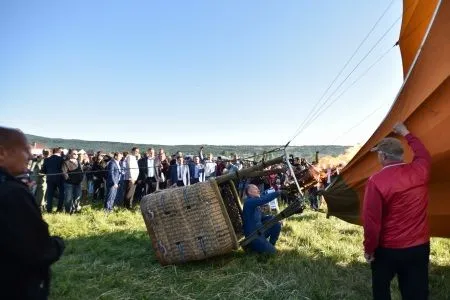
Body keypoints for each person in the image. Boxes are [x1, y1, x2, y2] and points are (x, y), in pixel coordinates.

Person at [363, 122, 431, 300]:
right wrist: (406, 132)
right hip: (419, 247)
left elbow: (372, 222)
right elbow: (422, 153)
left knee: (381, 289)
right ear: (401, 154)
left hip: (388, 249)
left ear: (383, 156)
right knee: (417, 292)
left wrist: (369, 249)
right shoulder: (420, 170)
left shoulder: (376, 181)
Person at [0, 127, 65, 299]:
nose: (29, 156)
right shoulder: (12, 192)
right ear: (1, 153)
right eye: (24, 150)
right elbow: (39, 249)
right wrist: (58, 244)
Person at [242, 184, 283, 254]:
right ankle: (252, 248)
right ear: (249, 192)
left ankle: (270, 245)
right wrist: (278, 193)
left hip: (260, 233)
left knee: (277, 224)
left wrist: (275, 219)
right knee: (274, 253)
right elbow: (263, 199)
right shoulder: (249, 202)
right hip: (253, 238)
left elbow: (262, 218)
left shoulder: (255, 204)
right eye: (255, 189)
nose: (258, 190)